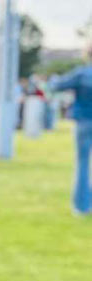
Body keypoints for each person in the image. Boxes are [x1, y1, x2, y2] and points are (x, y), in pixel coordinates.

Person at [50, 46, 92, 215]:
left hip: (84, 121)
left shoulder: (82, 74)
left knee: (83, 163)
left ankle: (82, 206)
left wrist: (54, 78)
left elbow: (56, 85)